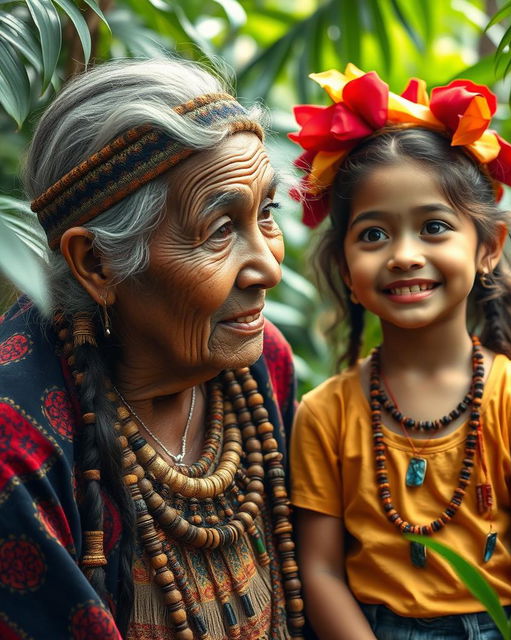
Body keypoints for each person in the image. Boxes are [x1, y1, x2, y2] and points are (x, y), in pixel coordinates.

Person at [0, 58, 304, 640]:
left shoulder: (263, 359)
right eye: (219, 231)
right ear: (97, 263)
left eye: (266, 213)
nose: (268, 267)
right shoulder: (18, 446)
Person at [287, 64, 511, 640]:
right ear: (348, 271)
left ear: (488, 248)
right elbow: (319, 569)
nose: (403, 255)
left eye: (434, 227)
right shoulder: (324, 414)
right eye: (373, 234)